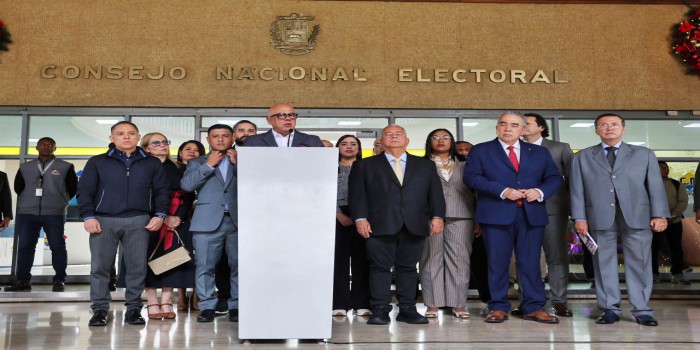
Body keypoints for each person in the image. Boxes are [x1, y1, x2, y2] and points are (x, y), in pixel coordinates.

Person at [570, 113, 669, 327]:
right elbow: (576, 190)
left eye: (614, 124)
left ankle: (642, 309)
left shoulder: (644, 154)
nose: (609, 128)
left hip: (638, 216)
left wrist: (659, 214)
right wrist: (579, 217)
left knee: (640, 263)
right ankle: (609, 309)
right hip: (598, 216)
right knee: (603, 263)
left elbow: (655, 186)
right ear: (596, 130)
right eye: (603, 125)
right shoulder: (582, 157)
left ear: (624, 128)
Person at [463, 112, 562, 324]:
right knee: (497, 263)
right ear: (497, 128)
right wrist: (502, 190)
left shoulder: (539, 152)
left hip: (531, 214)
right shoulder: (481, 150)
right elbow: (471, 178)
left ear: (522, 129)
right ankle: (498, 307)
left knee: (530, 263)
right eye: (503, 124)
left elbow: (554, 178)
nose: (508, 128)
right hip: (496, 213)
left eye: (514, 125)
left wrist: (540, 191)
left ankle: (534, 306)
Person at [349, 124, 446, 325]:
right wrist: (360, 218)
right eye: (388, 134)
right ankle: (380, 309)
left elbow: (435, 193)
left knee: (408, 268)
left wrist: (438, 217)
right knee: (379, 267)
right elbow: (357, 195)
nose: (393, 137)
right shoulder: (365, 165)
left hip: (415, 223)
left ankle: (408, 309)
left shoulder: (425, 165)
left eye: (398, 134)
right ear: (382, 141)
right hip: (377, 224)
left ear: (407, 140)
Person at [77, 121, 169, 327]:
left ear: (138, 137)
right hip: (103, 220)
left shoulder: (152, 163)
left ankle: (134, 309)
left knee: (137, 267)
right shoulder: (97, 162)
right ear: (112, 138)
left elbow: (163, 191)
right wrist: (88, 216)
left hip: (139, 220)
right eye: (120, 133)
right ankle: (100, 310)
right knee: (100, 267)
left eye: (131, 133)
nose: (126, 137)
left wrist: (159, 215)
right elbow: (84, 191)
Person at [181, 124, 239, 323]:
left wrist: (238, 164)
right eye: (216, 136)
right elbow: (187, 185)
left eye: (225, 136)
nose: (221, 139)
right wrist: (209, 165)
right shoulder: (197, 162)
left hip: (239, 220)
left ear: (232, 138)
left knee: (238, 265)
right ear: (208, 140)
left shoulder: (241, 159)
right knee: (205, 266)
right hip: (206, 221)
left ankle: (236, 305)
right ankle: (207, 306)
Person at [4, 137, 77, 293]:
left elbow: (73, 188)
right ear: (37, 147)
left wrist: (60, 200)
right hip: (27, 212)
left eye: (50, 145)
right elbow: (18, 188)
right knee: (25, 247)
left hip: (54, 213)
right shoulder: (25, 167)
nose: (46, 147)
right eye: (43, 144)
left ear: (55, 149)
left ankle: (59, 280)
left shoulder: (65, 166)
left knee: (57, 246)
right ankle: (23, 281)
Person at [521, 112, 574, 317]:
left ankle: (559, 300)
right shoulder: (513, 147)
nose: (523, 126)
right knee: (526, 258)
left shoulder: (560, 148)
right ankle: (529, 302)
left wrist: (573, 209)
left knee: (556, 256)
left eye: (528, 123)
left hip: (553, 209)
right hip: (522, 209)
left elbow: (572, 180)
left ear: (541, 127)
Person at [139, 133, 196, 320]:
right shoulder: (141, 167)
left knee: (171, 262)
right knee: (147, 261)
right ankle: (152, 302)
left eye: (165, 142)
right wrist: (164, 217)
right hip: (149, 221)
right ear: (146, 148)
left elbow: (187, 195)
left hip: (177, 222)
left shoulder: (180, 168)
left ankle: (166, 301)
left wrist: (176, 216)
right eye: (156, 143)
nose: (162, 145)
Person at [419, 129, 476, 319]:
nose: (441, 141)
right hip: (430, 217)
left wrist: (479, 219)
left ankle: (458, 304)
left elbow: (477, 193)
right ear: (429, 141)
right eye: (435, 137)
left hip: (462, 215)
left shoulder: (467, 165)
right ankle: (432, 304)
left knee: (460, 260)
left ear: (452, 141)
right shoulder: (420, 165)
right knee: (431, 258)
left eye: (445, 137)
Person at [214, 120, 256, 313]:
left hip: (255, 214)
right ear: (233, 135)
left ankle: (246, 300)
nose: (246, 133)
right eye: (241, 130)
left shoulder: (263, 153)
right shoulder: (224, 155)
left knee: (248, 261)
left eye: (251, 130)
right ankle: (225, 296)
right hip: (226, 215)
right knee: (224, 260)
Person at [332, 135, 371, 317]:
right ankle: (339, 303)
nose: (349, 147)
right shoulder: (330, 168)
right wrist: (338, 213)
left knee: (361, 261)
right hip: (336, 215)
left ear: (359, 148)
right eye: (344, 144)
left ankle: (361, 303)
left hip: (362, 215)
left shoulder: (367, 167)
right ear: (337, 147)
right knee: (338, 261)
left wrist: (359, 216)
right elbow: (322, 190)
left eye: (353, 144)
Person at [175, 140, 205, 311]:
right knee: (180, 257)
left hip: (201, 218)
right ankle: (180, 295)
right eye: (188, 149)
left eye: (197, 150)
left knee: (200, 258)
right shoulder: (175, 170)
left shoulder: (206, 167)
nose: (192, 152)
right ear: (180, 152)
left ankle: (197, 294)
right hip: (180, 219)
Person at [651, 161, 690, 285]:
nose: (665, 170)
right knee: (653, 248)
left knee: (676, 247)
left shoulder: (676, 184)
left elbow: (683, 202)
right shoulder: (648, 184)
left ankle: (677, 274)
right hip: (654, 222)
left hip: (674, 221)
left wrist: (671, 216)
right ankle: (653, 275)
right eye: (662, 167)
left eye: (666, 167)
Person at [244, 104, 324, 147]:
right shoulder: (253, 141)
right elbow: (241, 169)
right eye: (282, 115)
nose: (288, 119)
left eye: (292, 115)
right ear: (269, 120)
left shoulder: (313, 141)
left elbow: (323, 166)